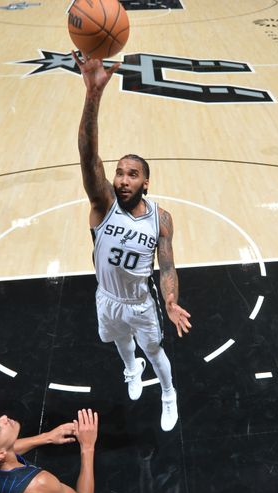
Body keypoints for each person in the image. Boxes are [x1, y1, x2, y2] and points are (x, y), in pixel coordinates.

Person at [73, 51, 192, 432]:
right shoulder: (103, 204)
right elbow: (88, 156)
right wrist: (93, 95)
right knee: (120, 343)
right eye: (120, 172)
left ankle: (169, 393)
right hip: (107, 298)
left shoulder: (161, 218)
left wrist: (170, 301)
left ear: (146, 182)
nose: (123, 179)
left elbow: (168, 265)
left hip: (141, 301)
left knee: (154, 350)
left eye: (132, 174)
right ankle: (130, 370)